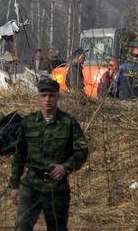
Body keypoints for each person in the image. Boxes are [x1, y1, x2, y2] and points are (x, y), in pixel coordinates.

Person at [9, 78, 88, 231]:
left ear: (58, 97)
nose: (47, 99)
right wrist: (14, 185)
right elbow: (19, 155)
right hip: (31, 186)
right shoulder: (28, 123)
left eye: (51, 95)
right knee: (22, 227)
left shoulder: (69, 123)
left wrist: (66, 167)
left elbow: (82, 150)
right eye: (44, 95)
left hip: (56, 187)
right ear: (38, 97)